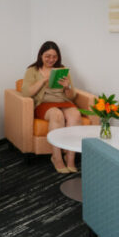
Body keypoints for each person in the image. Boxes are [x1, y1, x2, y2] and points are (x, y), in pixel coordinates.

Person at [22, 40, 82, 174]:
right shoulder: (32, 70)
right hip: (44, 104)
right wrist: (43, 80)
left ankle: (70, 157)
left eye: (54, 57)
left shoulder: (62, 69)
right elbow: (26, 92)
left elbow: (71, 96)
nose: (51, 59)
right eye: (47, 56)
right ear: (41, 55)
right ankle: (56, 157)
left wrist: (67, 87)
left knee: (76, 115)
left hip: (63, 101)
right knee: (57, 115)